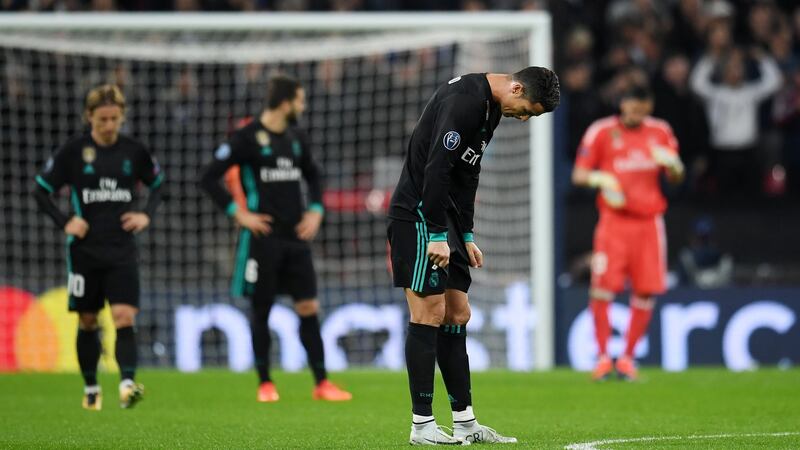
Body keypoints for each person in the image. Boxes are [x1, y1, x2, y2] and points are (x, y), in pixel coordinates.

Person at [388, 68, 560, 445]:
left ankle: (465, 422)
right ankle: (422, 425)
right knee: (428, 313)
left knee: (458, 313)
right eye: (527, 110)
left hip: (445, 219)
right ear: (516, 88)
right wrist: (436, 234)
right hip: (419, 214)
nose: (524, 117)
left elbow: (468, 173)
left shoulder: (490, 108)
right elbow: (437, 166)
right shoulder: (465, 100)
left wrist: (465, 234)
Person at [198, 74, 351, 403]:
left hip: (296, 237)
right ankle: (265, 383)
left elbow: (314, 174)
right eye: (300, 100)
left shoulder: (296, 138)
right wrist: (238, 214)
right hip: (262, 237)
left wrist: (316, 210)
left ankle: (322, 383)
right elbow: (208, 177)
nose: (303, 106)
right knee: (261, 309)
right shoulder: (247, 137)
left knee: (309, 306)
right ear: (285, 102)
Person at [32, 84, 164, 410]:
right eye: (102, 119)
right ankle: (91, 387)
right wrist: (66, 222)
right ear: (89, 117)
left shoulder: (134, 151)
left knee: (124, 316)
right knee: (88, 320)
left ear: (122, 117)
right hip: (84, 251)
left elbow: (158, 185)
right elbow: (40, 190)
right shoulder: (74, 152)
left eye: (114, 119)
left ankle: (127, 385)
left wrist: (146, 214)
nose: (108, 126)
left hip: (122, 250)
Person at [572, 85, 683, 382]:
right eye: (630, 108)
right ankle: (603, 358)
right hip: (613, 223)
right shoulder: (602, 131)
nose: (634, 114)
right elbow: (579, 174)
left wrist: (673, 164)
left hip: (649, 223)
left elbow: (676, 175)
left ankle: (628, 359)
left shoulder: (660, 131)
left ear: (649, 107)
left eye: (640, 109)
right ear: (621, 104)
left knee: (645, 290)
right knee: (602, 288)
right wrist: (601, 178)